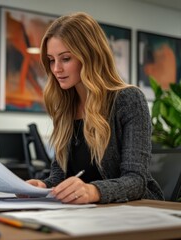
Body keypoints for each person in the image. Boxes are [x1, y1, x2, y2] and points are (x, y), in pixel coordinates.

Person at [24, 12, 164, 204]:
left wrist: (93, 191)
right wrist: (42, 186)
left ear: (89, 56)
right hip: (88, 212)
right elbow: (59, 177)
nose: (56, 69)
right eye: (51, 60)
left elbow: (136, 181)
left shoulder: (129, 100)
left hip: (136, 208)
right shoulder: (66, 106)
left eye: (65, 59)